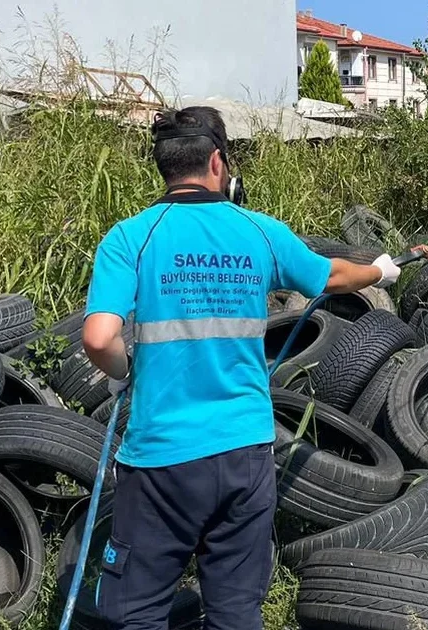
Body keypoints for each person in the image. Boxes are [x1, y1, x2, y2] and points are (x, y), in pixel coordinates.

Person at [81, 105, 401, 630]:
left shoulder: (130, 237)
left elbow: (97, 337)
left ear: (164, 166)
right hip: (244, 453)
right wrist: (380, 271)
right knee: (235, 613)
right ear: (216, 162)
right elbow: (332, 276)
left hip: (162, 458)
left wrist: (120, 370)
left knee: (136, 612)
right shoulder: (259, 231)